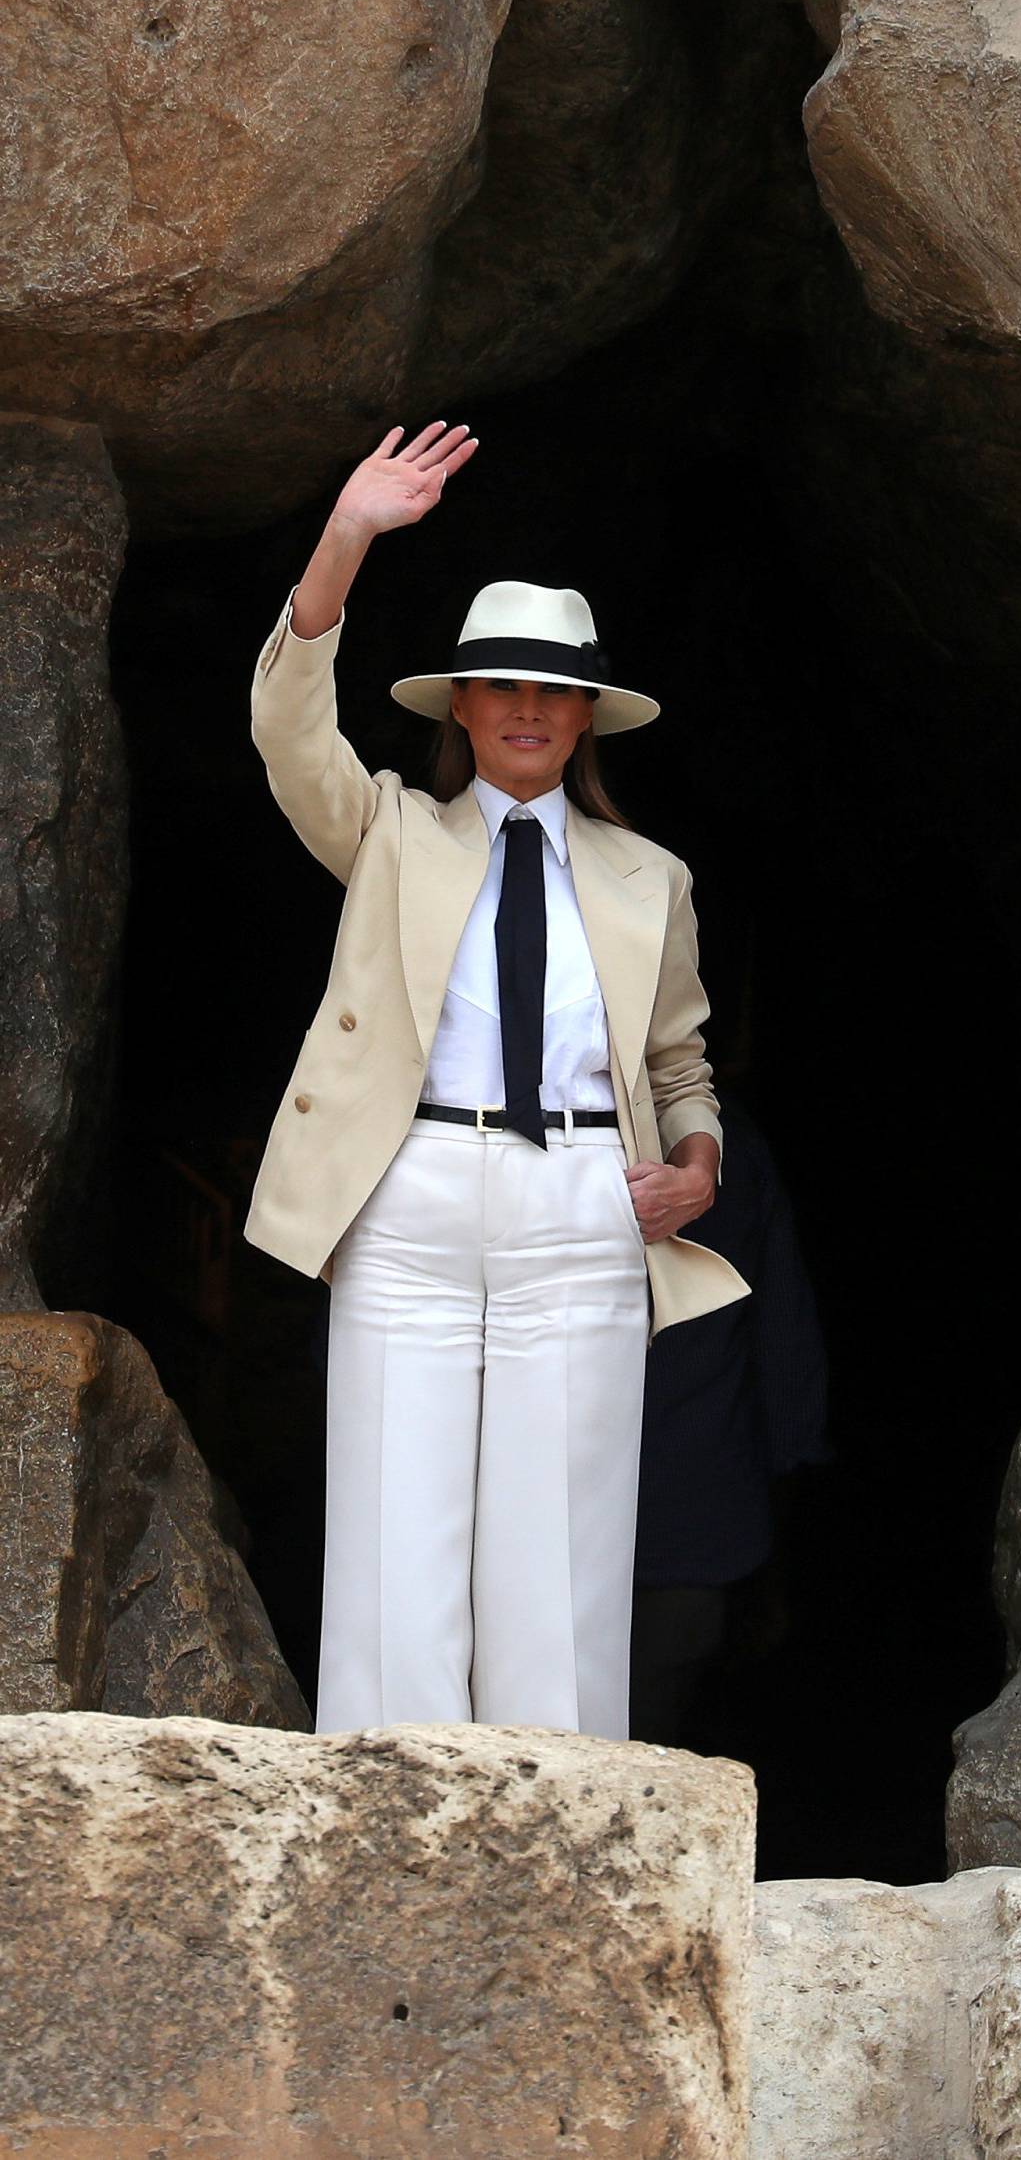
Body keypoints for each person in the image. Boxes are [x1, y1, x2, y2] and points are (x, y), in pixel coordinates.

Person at [245, 419, 748, 1739]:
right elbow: (289, 733)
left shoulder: (651, 878)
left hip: (586, 1201)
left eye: (553, 690)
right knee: (393, 1554)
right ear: (461, 706)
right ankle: (384, 1837)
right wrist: (345, 537)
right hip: (408, 1193)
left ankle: (561, 1839)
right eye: (500, 687)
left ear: (583, 714)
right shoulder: (395, 836)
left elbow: (678, 1061)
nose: (527, 710)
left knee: (563, 1561)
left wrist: (695, 1169)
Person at [628, 1089, 831, 1743]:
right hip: (692, 1504)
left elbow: (779, 1333)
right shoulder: (731, 1147)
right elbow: (781, 1337)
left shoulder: (729, 1151)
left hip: (678, 1505)